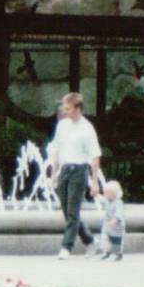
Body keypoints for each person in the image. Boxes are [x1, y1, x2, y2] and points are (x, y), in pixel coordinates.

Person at [47, 92, 103, 259]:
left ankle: (66, 247)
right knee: (67, 211)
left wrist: (94, 182)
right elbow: (56, 149)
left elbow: (95, 156)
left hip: (79, 170)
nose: (65, 112)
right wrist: (54, 173)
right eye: (64, 108)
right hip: (65, 169)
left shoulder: (87, 128)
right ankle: (90, 240)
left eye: (68, 109)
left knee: (73, 211)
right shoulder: (62, 125)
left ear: (78, 109)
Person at [96, 178, 127, 262]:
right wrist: (97, 195)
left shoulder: (118, 202)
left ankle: (118, 254)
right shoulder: (107, 200)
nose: (105, 194)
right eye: (105, 192)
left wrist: (115, 220)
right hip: (107, 225)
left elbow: (119, 213)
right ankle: (106, 251)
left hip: (117, 227)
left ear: (114, 194)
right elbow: (102, 200)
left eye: (107, 193)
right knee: (105, 238)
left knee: (116, 241)